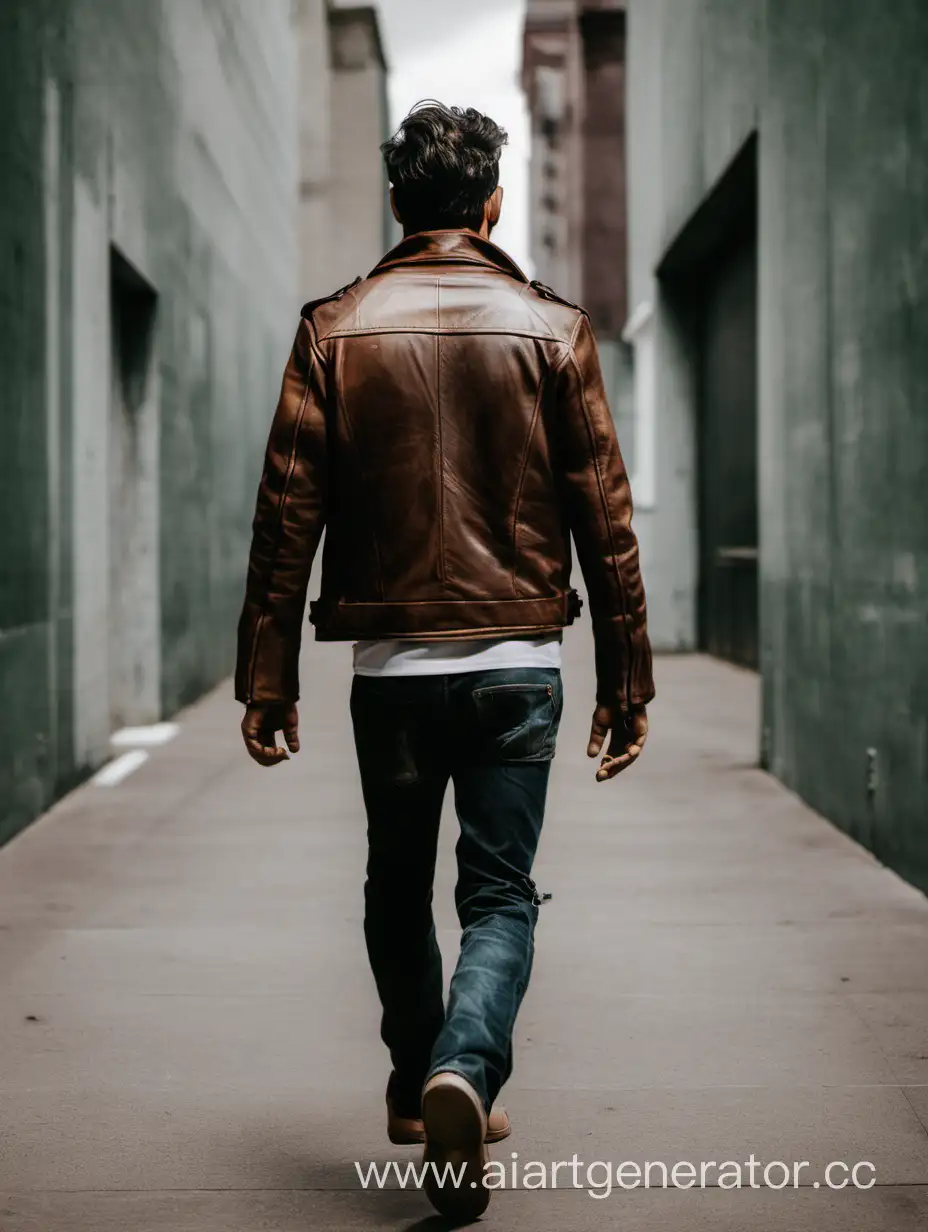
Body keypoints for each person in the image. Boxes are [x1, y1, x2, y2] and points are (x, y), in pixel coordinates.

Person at [235, 101, 654, 1222]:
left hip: (394, 672)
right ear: (489, 203)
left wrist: (266, 671)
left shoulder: (334, 328)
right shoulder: (551, 329)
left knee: (393, 881)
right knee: (500, 891)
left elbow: (287, 514)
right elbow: (604, 517)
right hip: (520, 658)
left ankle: (420, 1084)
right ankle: (465, 1059)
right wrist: (628, 678)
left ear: (396, 204)